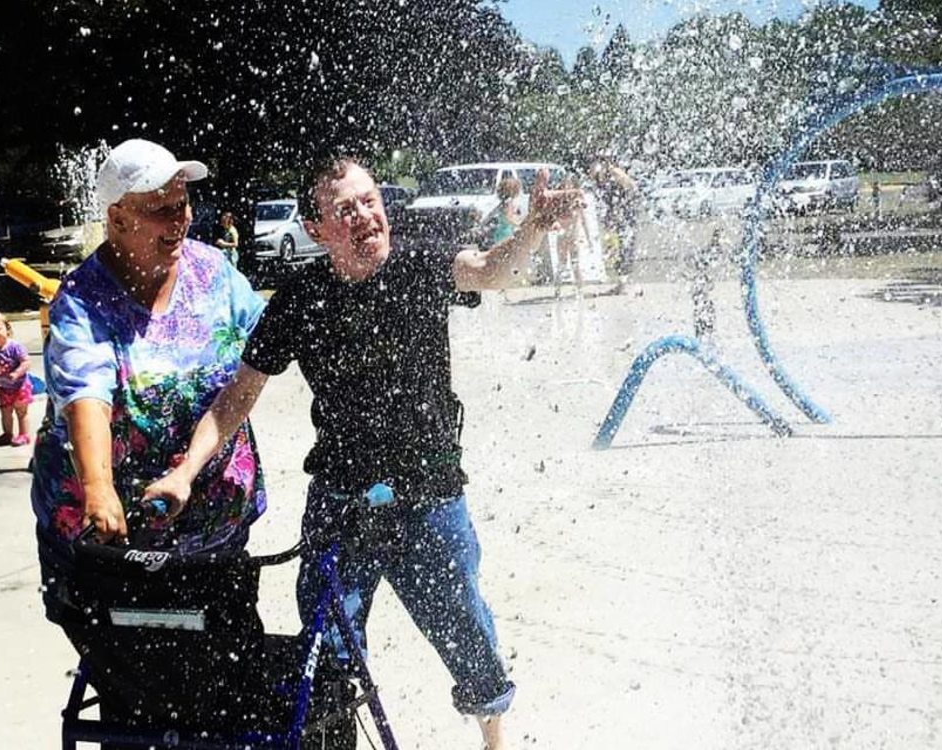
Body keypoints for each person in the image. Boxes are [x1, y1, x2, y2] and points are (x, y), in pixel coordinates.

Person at [145, 157, 584, 750]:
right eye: (345, 209)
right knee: (326, 644)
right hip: (341, 505)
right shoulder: (300, 301)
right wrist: (185, 471)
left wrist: (532, 227)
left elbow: (489, 271)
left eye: (370, 201)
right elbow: (236, 398)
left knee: (466, 632)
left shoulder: (421, 263)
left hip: (430, 498)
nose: (365, 217)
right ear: (316, 227)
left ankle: (494, 743)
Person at [30, 138, 268, 729]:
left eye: (183, 203)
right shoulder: (81, 301)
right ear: (116, 219)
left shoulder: (215, 274)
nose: (180, 219)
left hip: (212, 529)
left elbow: (269, 350)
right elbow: (84, 393)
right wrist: (100, 487)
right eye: (161, 209)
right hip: (110, 544)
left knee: (220, 681)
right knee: (138, 697)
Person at [588, 155, 640, 294]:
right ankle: (621, 283)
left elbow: (632, 187)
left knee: (625, 247)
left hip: (624, 215)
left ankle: (625, 285)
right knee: (614, 250)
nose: (590, 171)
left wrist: (621, 209)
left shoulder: (614, 172)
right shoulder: (599, 178)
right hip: (615, 217)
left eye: (592, 166)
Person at [0, 310, 33, 445]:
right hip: (4, 388)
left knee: (21, 412)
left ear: (7, 328)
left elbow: (26, 362)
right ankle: (7, 434)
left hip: (20, 386)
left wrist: (17, 373)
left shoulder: (15, 347)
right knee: (5, 412)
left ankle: (24, 435)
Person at [489, 177, 521, 245]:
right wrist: (518, 225)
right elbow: (508, 218)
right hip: (507, 232)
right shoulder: (509, 203)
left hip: (499, 231)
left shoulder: (503, 203)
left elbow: (491, 214)